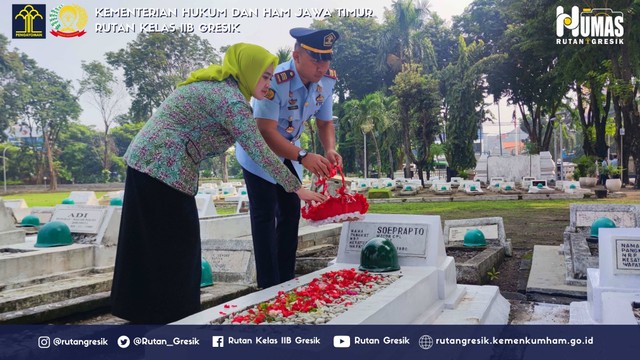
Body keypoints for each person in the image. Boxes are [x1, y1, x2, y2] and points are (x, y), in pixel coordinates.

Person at [110, 43, 326, 324]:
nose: (268, 83)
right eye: (263, 76)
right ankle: (176, 316)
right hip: (164, 167)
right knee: (180, 245)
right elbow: (258, 148)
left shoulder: (222, 89)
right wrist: (297, 188)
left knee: (149, 240)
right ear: (246, 71)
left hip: (148, 164)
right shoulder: (231, 100)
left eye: (271, 76)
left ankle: (141, 310)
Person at [236, 28, 342, 289]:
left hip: (291, 152)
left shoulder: (327, 80)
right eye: (315, 60)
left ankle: (285, 278)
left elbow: (325, 122)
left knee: (290, 212)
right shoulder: (277, 80)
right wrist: (304, 155)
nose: (321, 67)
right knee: (264, 214)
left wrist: (329, 149)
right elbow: (265, 130)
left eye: (326, 60)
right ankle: (268, 284)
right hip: (258, 153)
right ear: (296, 56)